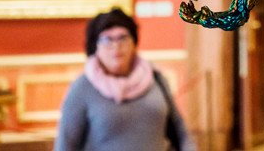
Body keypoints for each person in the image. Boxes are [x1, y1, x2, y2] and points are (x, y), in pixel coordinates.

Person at [54, 8, 196, 151]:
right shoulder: (82, 87)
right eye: (107, 39)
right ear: (94, 46)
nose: (116, 46)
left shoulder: (155, 79)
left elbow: (180, 134)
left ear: (134, 43)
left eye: (122, 37)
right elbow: (66, 145)